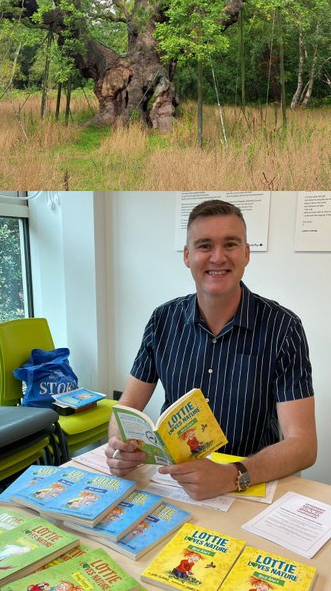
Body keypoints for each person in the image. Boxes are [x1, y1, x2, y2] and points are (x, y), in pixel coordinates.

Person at [105, 198, 316, 500]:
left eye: (230, 244)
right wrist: (118, 445)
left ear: (245, 254)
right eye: (205, 246)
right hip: (173, 482)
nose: (218, 257)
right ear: (187, 256)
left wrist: (234, 475)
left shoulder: (283, 328)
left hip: (249, 484)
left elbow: (304, 445)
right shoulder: (161, 320)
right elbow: (125, 408)